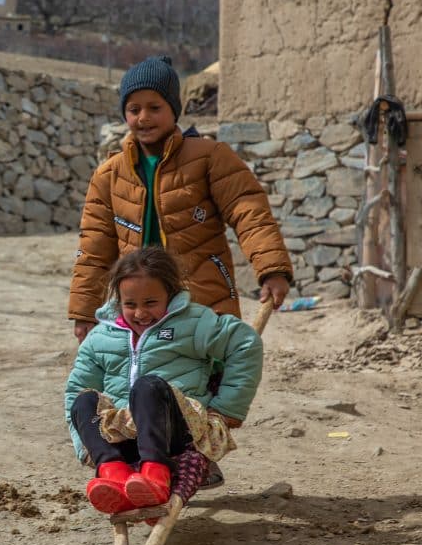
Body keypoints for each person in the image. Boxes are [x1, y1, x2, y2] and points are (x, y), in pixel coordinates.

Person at [68, 55, 292, 487]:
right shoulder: (110, 174)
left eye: (155, 107)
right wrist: (83, 310)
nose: (143, 117)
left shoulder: (209, 157)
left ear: (174, 110)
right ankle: (139, 457)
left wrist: (271, 269)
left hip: (201, 294)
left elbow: (249, 211)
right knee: (138, 375)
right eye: (134, 109)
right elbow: (94, 249)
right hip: (137, 300)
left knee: (198, 377)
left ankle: (196, 453)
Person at [64, 248, 262, 514]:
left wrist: (228, 408)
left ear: (170, 294)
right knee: (83, 400)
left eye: (150, 303)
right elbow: (76, 387)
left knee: (148, 386)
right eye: (130, 304)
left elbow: (245, 344)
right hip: (125, 437)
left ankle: (156, 474)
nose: (140, 313)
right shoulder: (100, 338)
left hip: (176, 432)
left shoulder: (193, 323)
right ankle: (113, 473)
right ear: (118, 301)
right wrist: (85, 446)